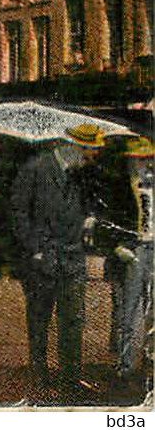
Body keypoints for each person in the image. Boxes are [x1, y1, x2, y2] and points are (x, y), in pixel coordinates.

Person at [10, 122, 103, 393]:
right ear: (72, 147)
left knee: (73, 321)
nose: (91, 158)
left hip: (73, 258)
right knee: (39, 322)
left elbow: (92, 203)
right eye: (88, 152)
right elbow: (18, 212)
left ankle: (70, 381)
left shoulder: (82, 174)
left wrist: (90, 217)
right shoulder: (35, 169)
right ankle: (40, 381)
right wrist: (35, 248)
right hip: (43, 260)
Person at [101, 136, 154, 382]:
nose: (142, 163)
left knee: (152, 310)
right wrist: (117, 247)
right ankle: (125, 365)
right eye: (137, 159)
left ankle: (150, 363)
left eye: (146, 159)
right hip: (134, 251)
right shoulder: (119, 187)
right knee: (128, 311)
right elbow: (107, 221)